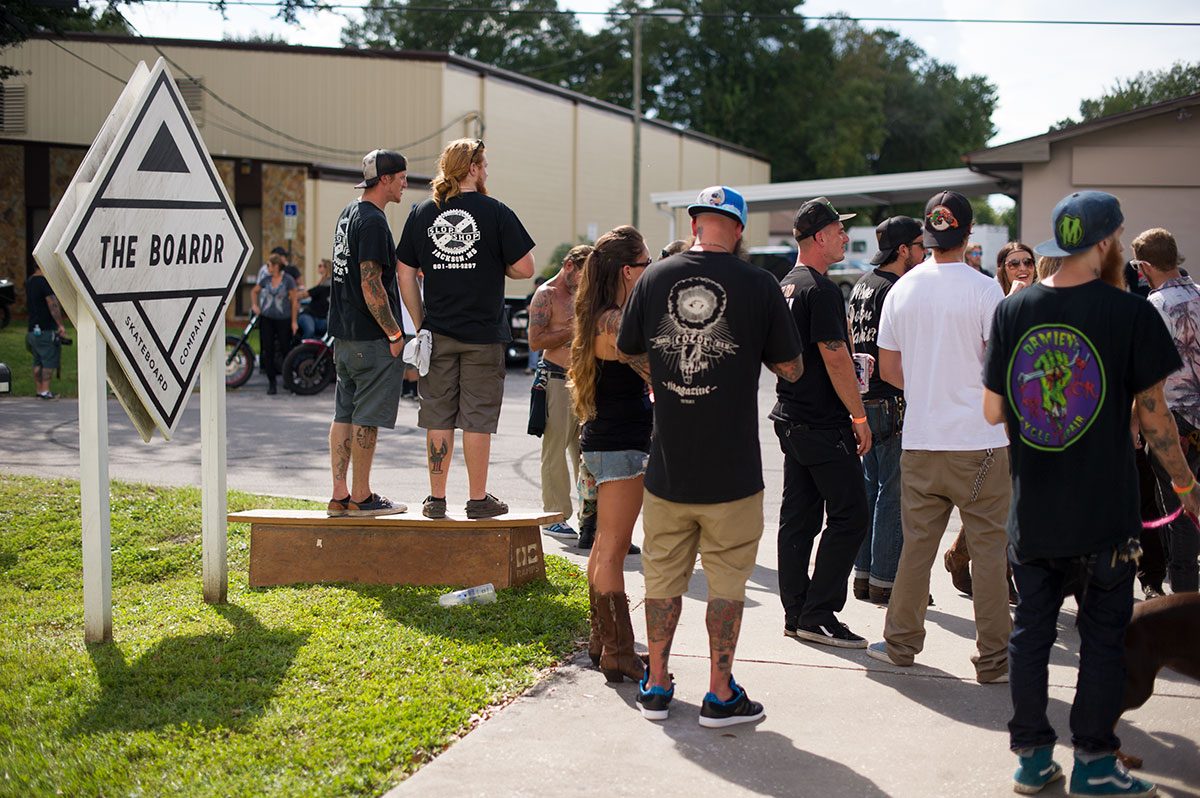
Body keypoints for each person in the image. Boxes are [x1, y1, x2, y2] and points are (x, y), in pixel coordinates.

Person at [983, 190, 1199, 797]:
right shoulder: (1130, 313)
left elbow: (995, 408)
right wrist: (1187, 489)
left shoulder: (1014, 309)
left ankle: (1031, 760)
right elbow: (1156, 420)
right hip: (1105, 512)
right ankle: (1095, 767)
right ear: (1106, 243)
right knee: (1103, 640)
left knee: (1031, 635)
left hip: (1035, 510)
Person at [617, 186, 803, 727]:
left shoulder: (653, 277)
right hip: (734, 472)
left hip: (670, 467)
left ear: (696, 221)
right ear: (739, 229)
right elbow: (790, 369)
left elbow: (629, 349)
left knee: (662, 579)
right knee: (726, 583)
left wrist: (668, 376)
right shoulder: (760, 284)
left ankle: (655, 685)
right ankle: (720, 694)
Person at [866, 190, 1011, 685]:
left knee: (917, 550)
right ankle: (993, 661)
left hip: (922, 439)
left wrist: (929, 385)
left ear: (927, 235)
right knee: (990, 552)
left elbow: (889, 368)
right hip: (982, 442)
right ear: (967, 234)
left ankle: (901, 644)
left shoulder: (901, 290)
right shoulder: (985, 290)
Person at [397, 138, 536, 520]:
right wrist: (496, 264)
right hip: (484, 334)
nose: (487, 171)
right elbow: (526, 268)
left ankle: (435, 500)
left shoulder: (422, 212)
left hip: (437, 332)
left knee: (438, 415)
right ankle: (477, 500)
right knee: (477, 419)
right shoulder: (495, 212)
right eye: (485, 164)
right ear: (472, 168)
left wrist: (420, 319)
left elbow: (404, 272)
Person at [772, 196, 871, 648]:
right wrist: (859, 416)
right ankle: (818, 613)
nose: (845, 237)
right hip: (822, 424)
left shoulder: (786, 285)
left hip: (792, 418)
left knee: (800, 517)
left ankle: (797, 612)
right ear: (819, 237)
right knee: (852, 514)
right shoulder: (821, 289)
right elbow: (835, 357)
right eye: (838, 230)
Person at [568, 227, 653, 682]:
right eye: (645, 264)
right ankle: (619, 651)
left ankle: (603, 643)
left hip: (605, 440)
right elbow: (657, 372)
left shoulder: (600, 314)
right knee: (613, 550)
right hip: (620, 445)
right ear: (627, 270)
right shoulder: (615, 321)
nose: (650, 271)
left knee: (603, 545)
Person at [944, 240, 1038, 596]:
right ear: (1002, 270)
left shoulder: (1041, 302)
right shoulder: (991, 300)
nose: (1022, 268)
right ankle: (998, 572)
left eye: (1027, 262)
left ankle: (962, 556)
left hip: (1033, 415)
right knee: (996, 499)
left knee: (1016, 498)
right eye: (1013, 263)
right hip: (995, 416)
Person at [326, 148, 409, 518]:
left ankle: (339, 495)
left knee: (343, 413)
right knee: (367, 418)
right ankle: (361, 497)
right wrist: (394, 333)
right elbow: (370, 281)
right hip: (371, 339)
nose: (406, 183)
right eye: (402, 177)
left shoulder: (349, 212)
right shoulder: (374, 221)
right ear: (386, 179)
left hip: (343, 336)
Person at [848, 215, 924, 605]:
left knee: (869, 490)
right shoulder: (897, 288)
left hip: (864, 400)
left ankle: (863, 577)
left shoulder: (862, 284)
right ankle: (885, 581)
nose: (925, 251)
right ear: (903, 250)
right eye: (920, 245)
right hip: (891, 400)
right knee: (892, 495)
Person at [1133, 227, 1200, 594]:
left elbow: (1145, 379)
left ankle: (1185, 608)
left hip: (1172, 427)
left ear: (1144, 267)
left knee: (1180, 515)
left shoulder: (1154, 309)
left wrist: (1132, 426)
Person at [529, 245, 592, 540]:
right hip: (555, 378)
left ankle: (590, 517)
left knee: (587, 452)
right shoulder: (546, 294)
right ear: (569, 266)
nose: (586, 280)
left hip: (586, 380)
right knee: (555, 450)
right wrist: (576, 330)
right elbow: (535, 340)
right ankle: (554, 514)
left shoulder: (589, 291)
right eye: (583, 273)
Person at [251, 253, 298, 395]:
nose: (267, 267)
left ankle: (288, 379)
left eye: (269, 265)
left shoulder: (288, 280)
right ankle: (272, 382)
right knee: (268, 349)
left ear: (276, 266)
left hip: (283, 319)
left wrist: (294, 322)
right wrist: (255, 305)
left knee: (285, 349)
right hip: (267, 318)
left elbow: (294, 301)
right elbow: (254, 291)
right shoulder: (266, 279)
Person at [24, 265, 67, 400]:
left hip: (32, 329)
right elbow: (52, 303)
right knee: (49, 360)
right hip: (46, 329)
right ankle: (45, 391)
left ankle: (39, 391)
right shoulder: (44, 282)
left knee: (37, 362)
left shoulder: (30, 281)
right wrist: (60, 324)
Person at [297, 258, 332, 340]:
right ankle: (304, 351)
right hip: (309, 315)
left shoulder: (326, 285)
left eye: (320, 266)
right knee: (310, 330)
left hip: (322, 317)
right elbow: (306, 294)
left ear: (326, 268)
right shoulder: (322, 284)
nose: (318, 268)